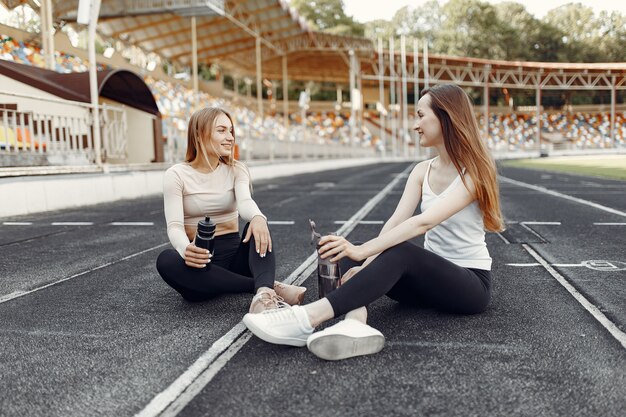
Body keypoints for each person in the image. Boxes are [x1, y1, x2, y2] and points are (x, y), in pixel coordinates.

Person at [243, 84, 504, 360]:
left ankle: (306, 319)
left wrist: (364, 251)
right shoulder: (421, 171)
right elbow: (395, 222)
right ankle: (356, 324)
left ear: (446, 116)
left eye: (420, 115)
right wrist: (363, 262)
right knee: (343, 253)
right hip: (428, 287)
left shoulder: (474, 171)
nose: (415, 125)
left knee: (399, 251)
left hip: (469, 286)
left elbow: (422, 223)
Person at [156, 107, 306, 313]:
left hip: (236, 260)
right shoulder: (176, 174)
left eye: (231, 131)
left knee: (258, 225)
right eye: (222, 130)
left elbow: (245, 201)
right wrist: (185, 249)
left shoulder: (237, 169)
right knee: (166, 260)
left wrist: (257, 217)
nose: (230, 137)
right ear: (199, 134)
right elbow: (174, 226)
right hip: (200, 267)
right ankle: (267, 287)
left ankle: (263, 295)